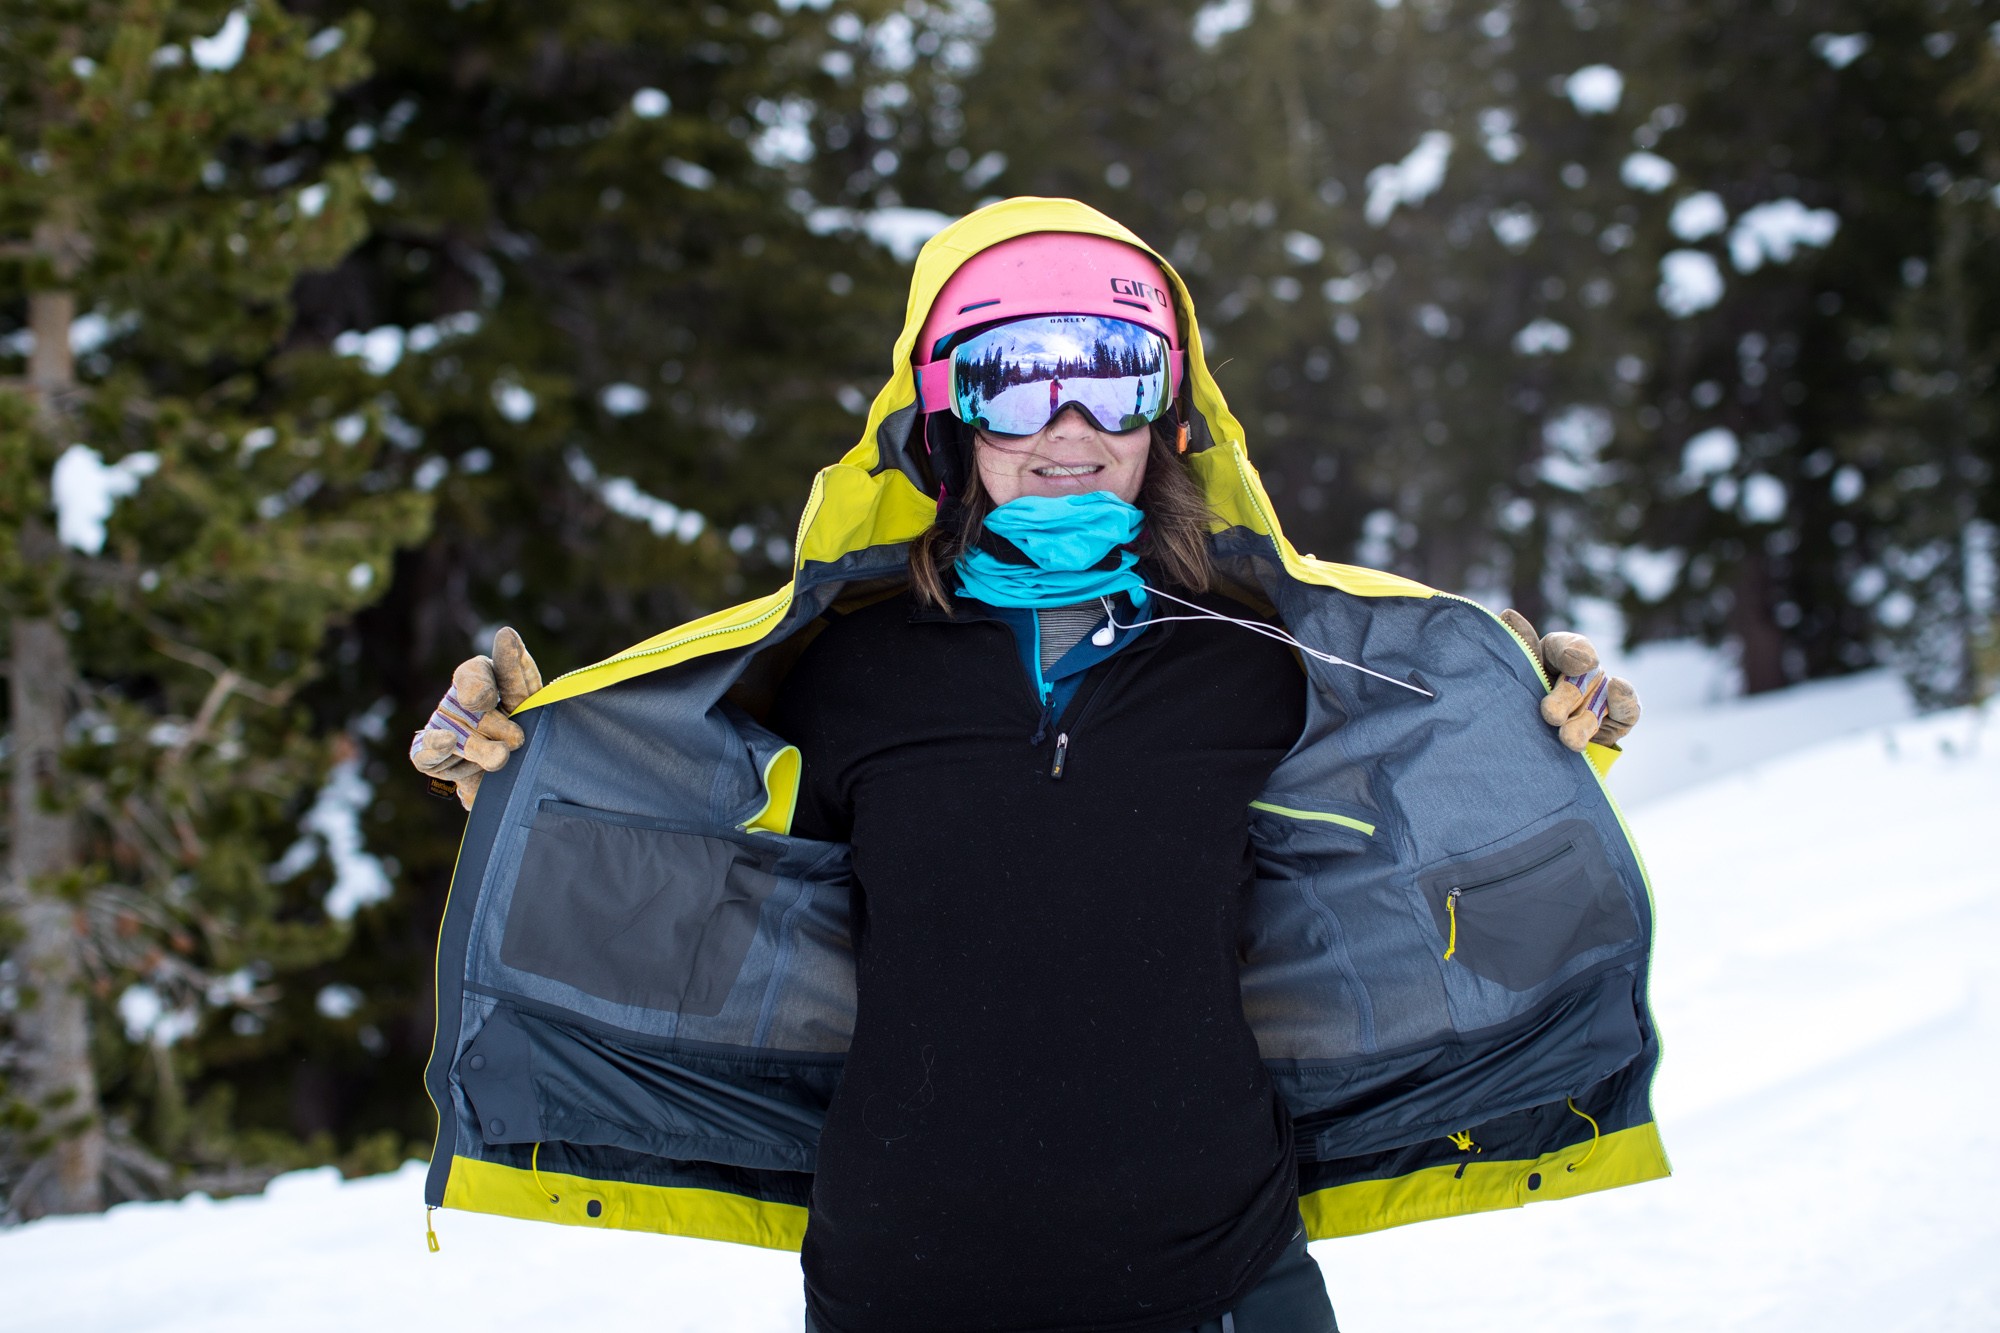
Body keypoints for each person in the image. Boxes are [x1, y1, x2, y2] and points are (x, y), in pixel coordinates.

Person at [412, 197, 1658, 1333]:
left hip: (1221, 1284)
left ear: (1168, 415)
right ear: (944, 415)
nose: (1068, 429)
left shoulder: (1255, 660)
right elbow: (689, 854)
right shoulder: (839, 670)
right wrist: (519, 765)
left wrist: (1522, 714)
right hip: (897, 1290)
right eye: (1012, 382)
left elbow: (1415, 837)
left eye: (1114, 378)